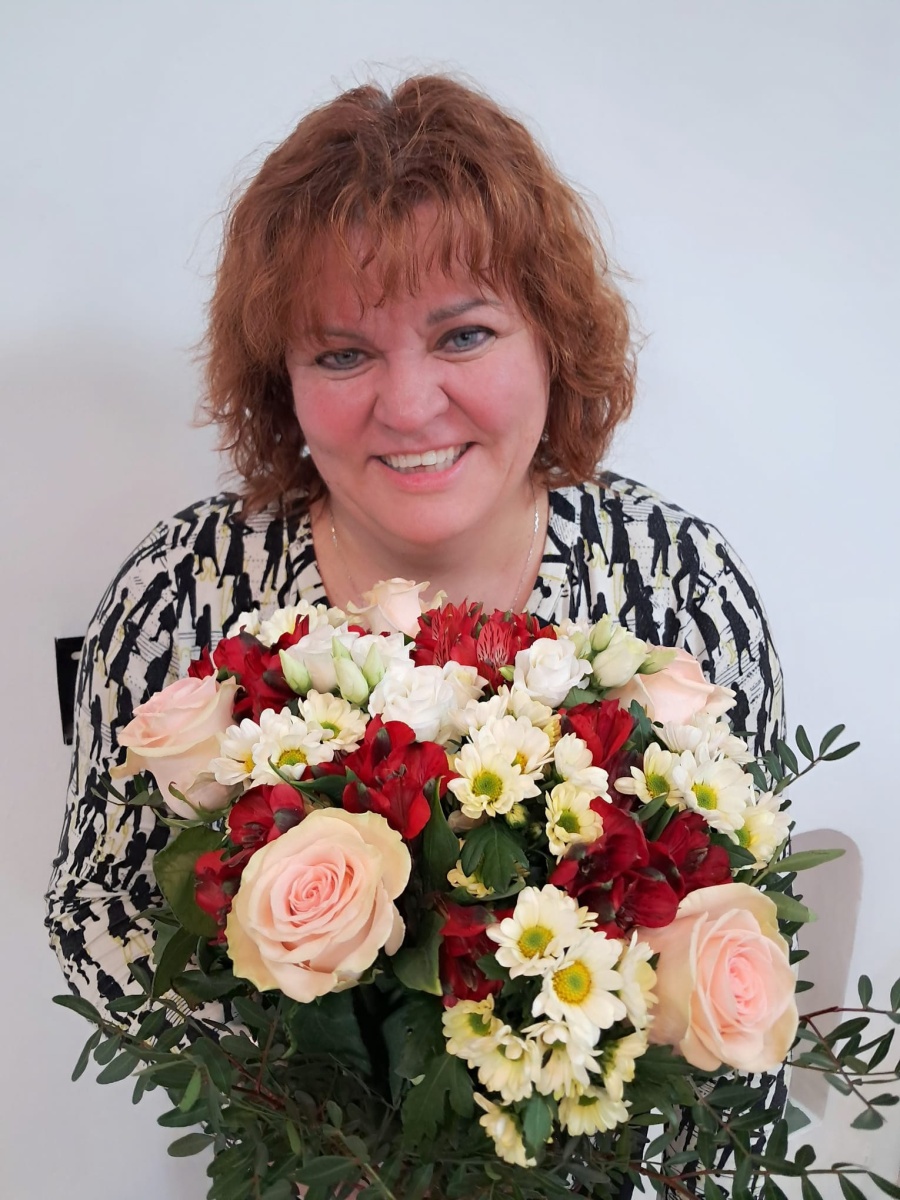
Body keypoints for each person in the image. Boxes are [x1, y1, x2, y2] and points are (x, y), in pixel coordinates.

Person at [46, 73, 786, 1194]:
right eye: (342, 353)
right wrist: (330, 1113)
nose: (407, 405)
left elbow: (747, 934)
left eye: (464, 334)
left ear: (552, 339)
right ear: (282, 381)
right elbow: (95, 912)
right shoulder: (183, 589)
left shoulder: (679, 582)